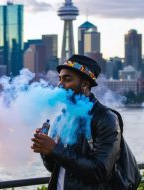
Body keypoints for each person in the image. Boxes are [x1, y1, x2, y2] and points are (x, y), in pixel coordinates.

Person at [31, 54, 121, 189]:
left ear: (85, 84)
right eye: (60, 79)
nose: (60, 85)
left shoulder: (105, 118)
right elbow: (54, 168)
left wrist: (55, 149)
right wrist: (45, 150)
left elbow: (101, 171)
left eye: (67, 79)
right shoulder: (61, 119)